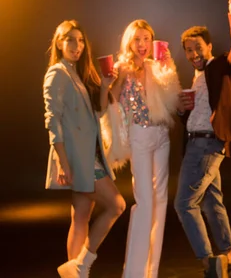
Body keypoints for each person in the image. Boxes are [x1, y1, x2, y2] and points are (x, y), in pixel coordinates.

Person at [43, 20, 126, 278]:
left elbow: (97, 114)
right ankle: (82, 264)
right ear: (59, 42)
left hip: (88, 154)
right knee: (117, 205)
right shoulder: (57, 73)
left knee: (80, 217)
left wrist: (103, 87)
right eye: (70, 40)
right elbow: (52, 120)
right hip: (78, 159)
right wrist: (64, 164)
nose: (77, 46)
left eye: (80, 41)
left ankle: (74, 273)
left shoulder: (75, 74)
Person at [174, 0, 231, 278]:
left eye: (197, 48)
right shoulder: (196, 78)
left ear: (209, 47)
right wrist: (182, 111)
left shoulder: (220, 66)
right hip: (199, 142)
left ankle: (210, 263)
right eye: (188, 51)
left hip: (206, 146)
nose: (193, 55)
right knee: (210, 200)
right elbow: (196, 116)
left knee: (184, 204)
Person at [110, 19, 181, 278]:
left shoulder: (155, 66)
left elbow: (172, 99)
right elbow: (111, 99)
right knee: (145, 202)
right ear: (129, 41)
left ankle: (151, 271)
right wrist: (122, 76)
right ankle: (134, 273)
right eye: (138, 39)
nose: (142, 45)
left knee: (161, 200)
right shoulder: (122, 67)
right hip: (139, 135)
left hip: (161, 134)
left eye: (147, 39)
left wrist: (168, 68)